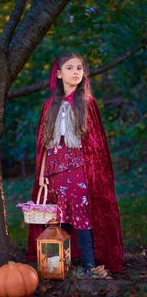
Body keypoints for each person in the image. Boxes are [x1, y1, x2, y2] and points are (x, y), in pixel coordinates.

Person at [27, 52, 123, 278]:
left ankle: (89, 266)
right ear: (58, 74)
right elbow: (45, 145)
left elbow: (95, 144)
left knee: (81, 213)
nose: (76, 72)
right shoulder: (50, 105)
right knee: (59, 217)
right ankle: (61, 264)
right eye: (69, 68)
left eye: (79, 68)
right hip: (54, 171)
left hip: (79, 168)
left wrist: (92, 173)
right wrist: (42, 174)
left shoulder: (87, 103)